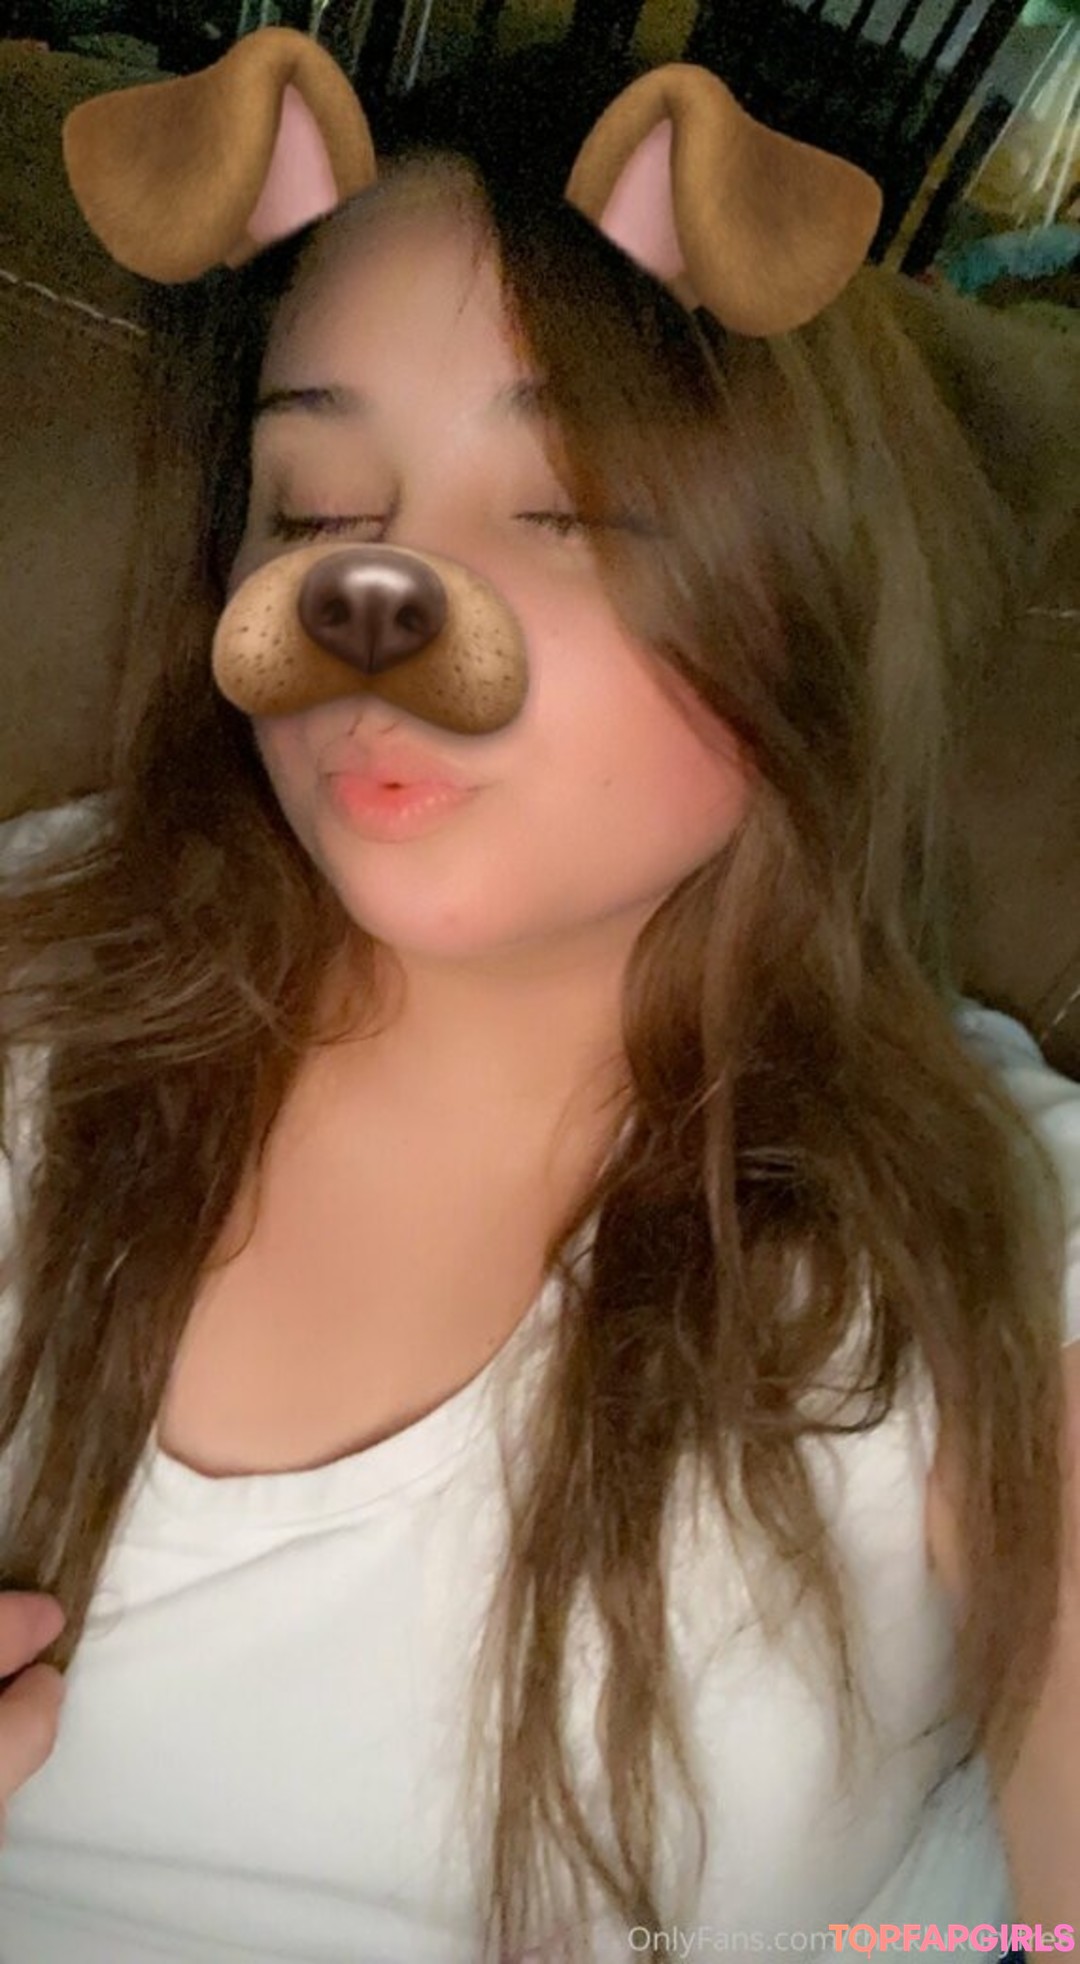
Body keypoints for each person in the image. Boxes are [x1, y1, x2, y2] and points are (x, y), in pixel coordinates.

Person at [0, 30, 1077, 1964]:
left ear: (800, 590)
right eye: (311, 504)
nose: (376, 601)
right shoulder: (34, 967)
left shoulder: (995, 1225)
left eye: (563, 511)